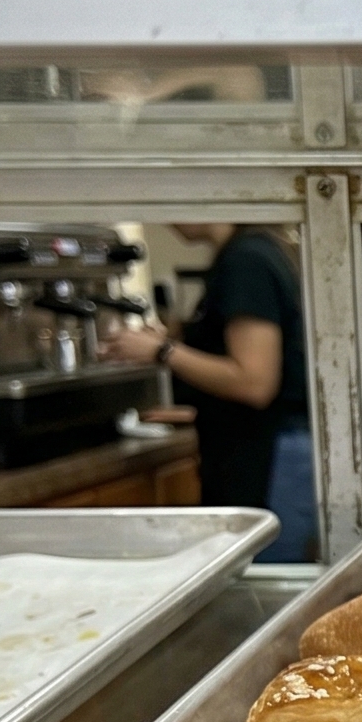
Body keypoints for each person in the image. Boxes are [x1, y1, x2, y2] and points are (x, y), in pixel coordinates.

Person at [109, 222, 312, 560]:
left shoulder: (247, 260)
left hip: (269, 463)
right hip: (269, 450)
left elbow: (255, 383)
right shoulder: (258, 250)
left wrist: (162, 352)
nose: (168, 218)